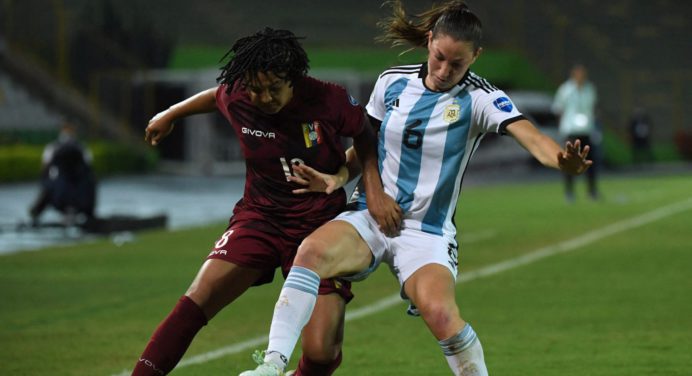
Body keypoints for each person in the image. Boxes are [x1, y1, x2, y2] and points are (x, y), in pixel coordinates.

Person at [240, 2, 592, 376]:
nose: (444, 71)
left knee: (441, 313)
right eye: (439, 58)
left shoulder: (481, 99)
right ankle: (271, 366)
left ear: (476, 56)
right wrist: (338, 177)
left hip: (427, 232)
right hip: (369, 215)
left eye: (457, 64)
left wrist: (561, 159)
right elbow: (365, 145)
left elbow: (534, 139)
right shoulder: (392, 82)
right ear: (429, 42)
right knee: (309, 252)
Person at [131, 27, 401, 376]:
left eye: (275, 88)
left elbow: (365, 133)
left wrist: (360, 186)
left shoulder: (327, 100)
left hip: (319, 228)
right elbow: (216, 95)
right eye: (257, 90)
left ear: (294, 80)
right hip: (259, 219)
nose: (265, 98)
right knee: (198, 298)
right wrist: (170, 114)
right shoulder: (239, 96)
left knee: (320, 351)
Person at [29, 121, 96, 226]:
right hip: (64, 186)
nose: (68, 132)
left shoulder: (79, 147)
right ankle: (36, 213)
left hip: (71, 186)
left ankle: (36, 213)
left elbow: (44, 169)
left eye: (70, 129)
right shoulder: (77, 147)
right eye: (66, 129)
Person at [552, 63, 599, 202]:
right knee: (569, 162)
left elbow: (593, 107)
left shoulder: (590, 89)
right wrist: (562, 126)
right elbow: (558, 109)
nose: (581, 76)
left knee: (590, 162)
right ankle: (569, 193)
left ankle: (592, 192)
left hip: (586, 130)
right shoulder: (565, 89)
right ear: (573, 74)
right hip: (571, 130)